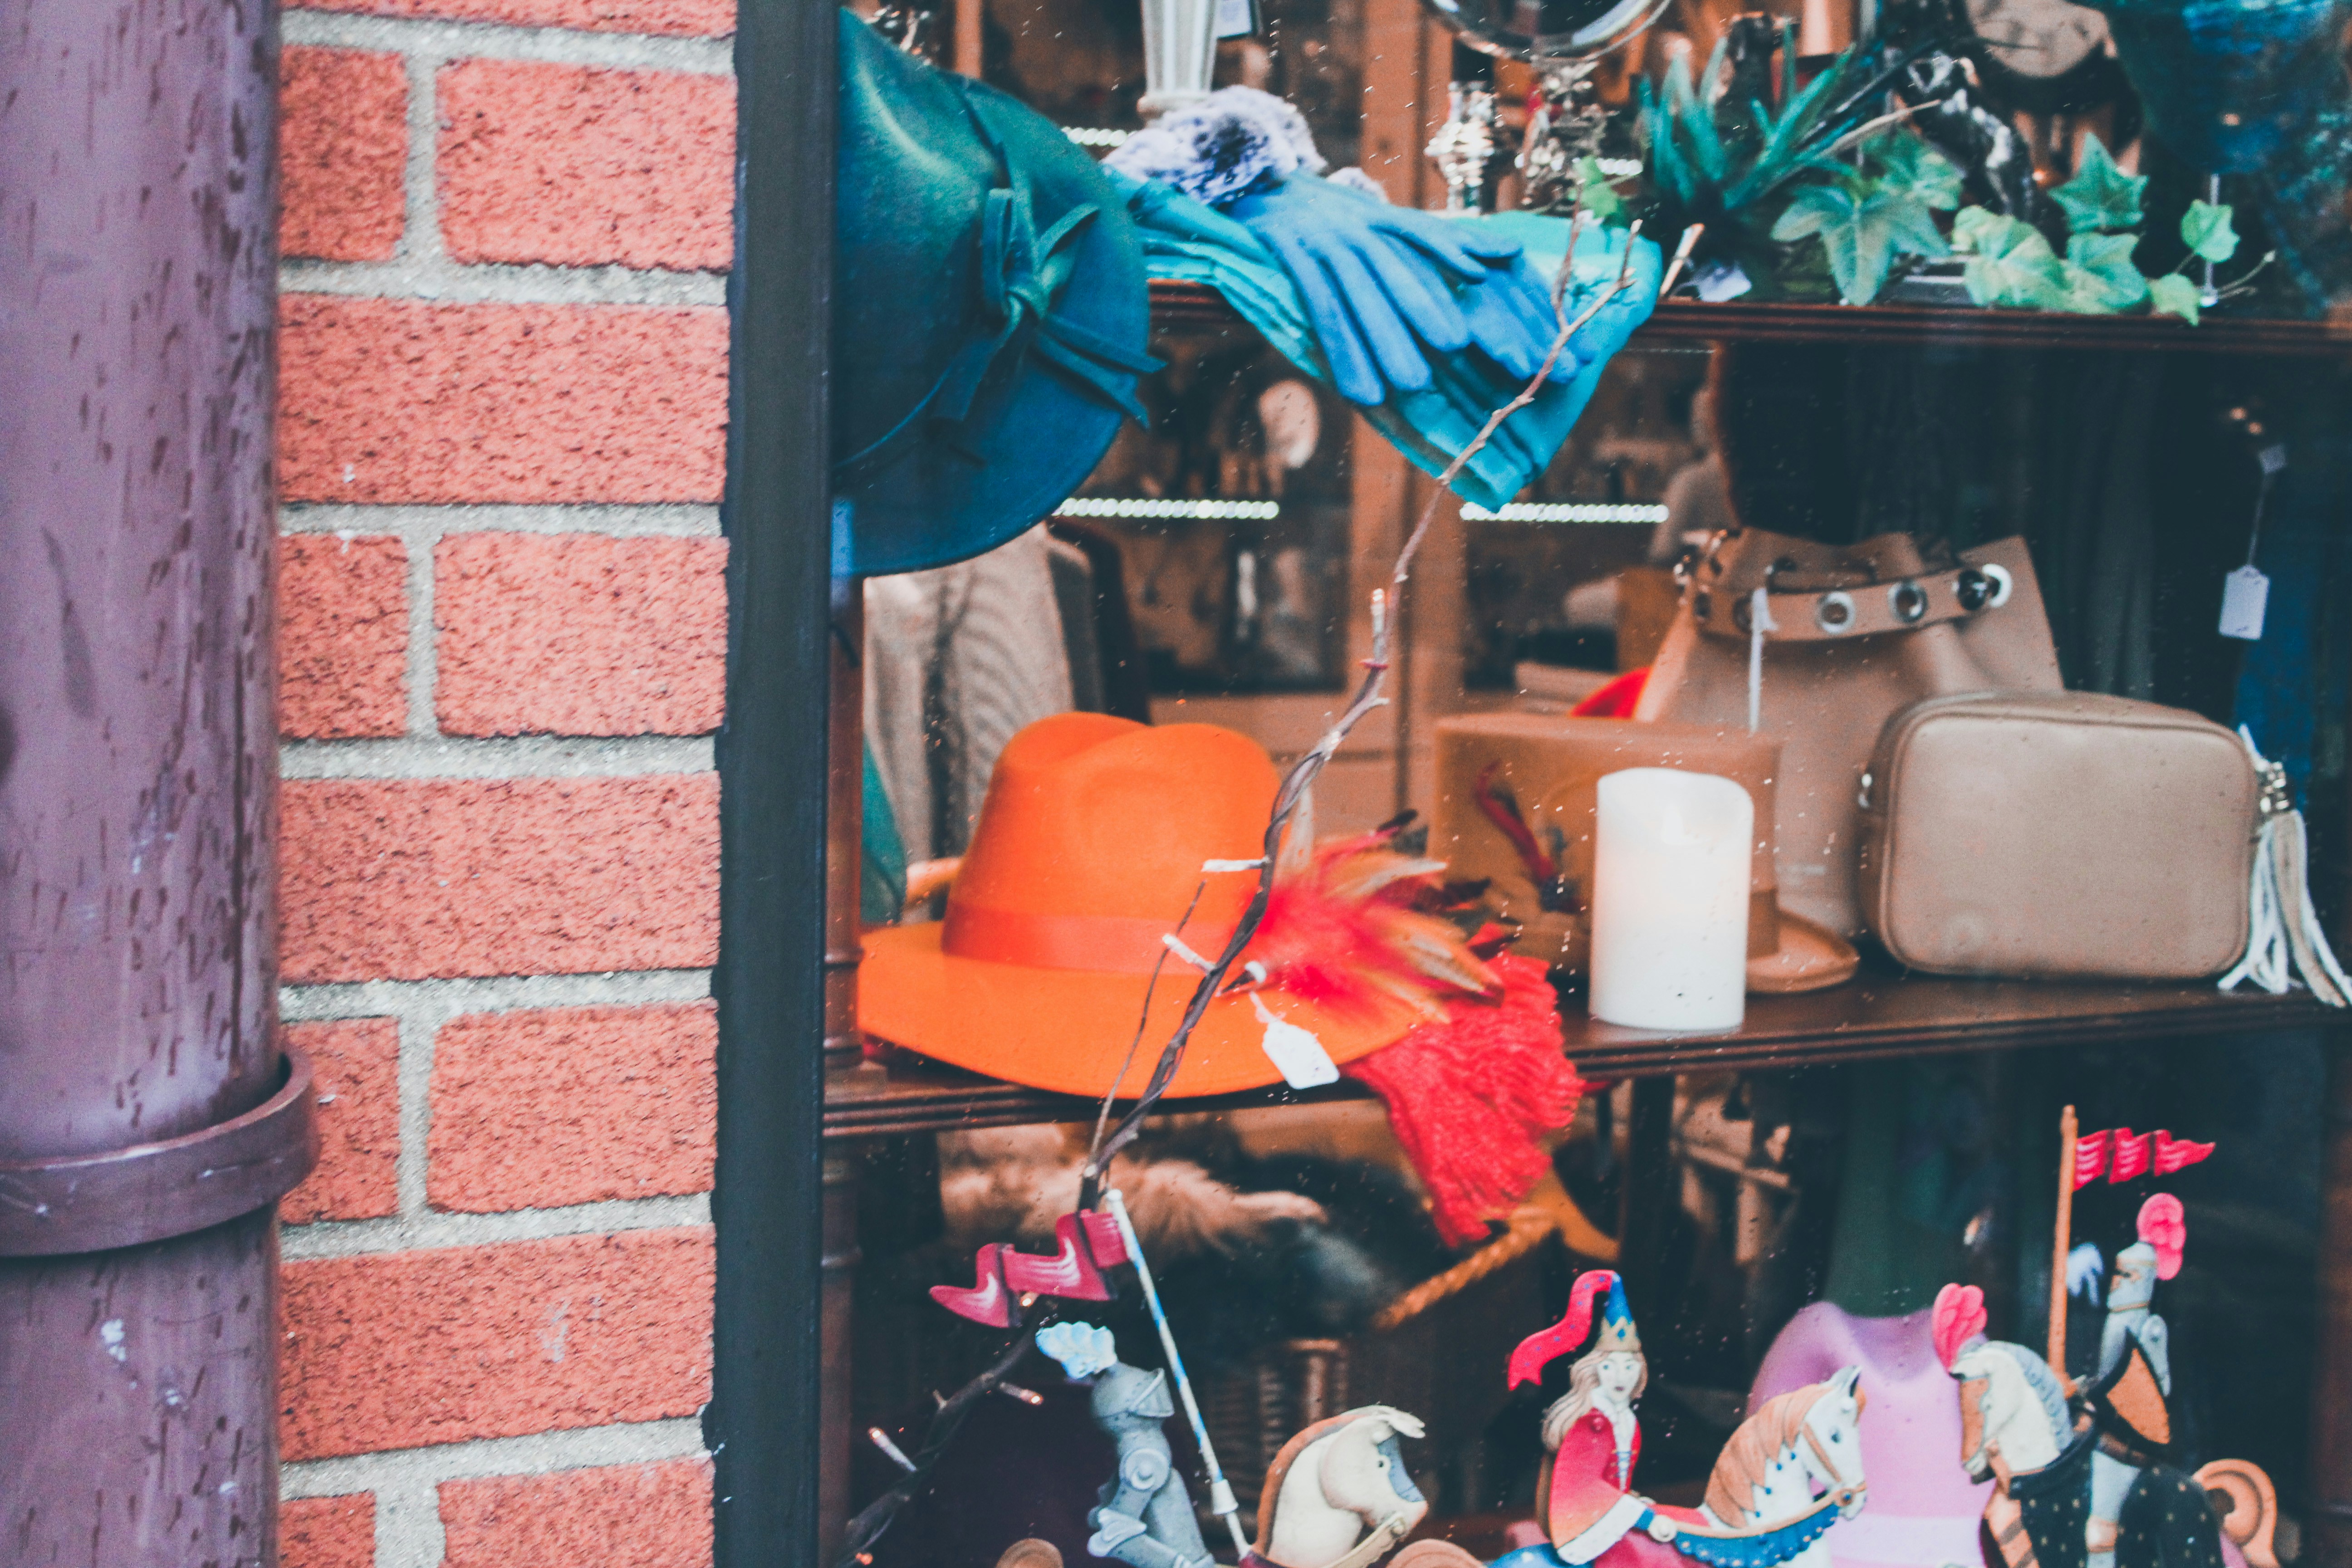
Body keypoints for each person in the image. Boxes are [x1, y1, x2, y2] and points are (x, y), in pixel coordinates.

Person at [1503, 1271, 1707, 1565]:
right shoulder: (1594, 1426)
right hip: (1586, 1526)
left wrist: (1634, 1503)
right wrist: (1635, 1513)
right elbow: (1582, 1486)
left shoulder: (1628, 1423)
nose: (1621, 1377)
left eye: (1629, 1367)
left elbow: (1615, 1484)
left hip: (1612, 1518)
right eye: (1611, 1367)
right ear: (1596, 1371)